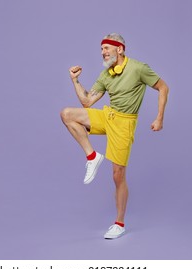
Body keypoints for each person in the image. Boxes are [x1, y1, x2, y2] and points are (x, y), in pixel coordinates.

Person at [60, 33, 169, 239]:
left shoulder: (138, 68)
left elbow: (163, 87)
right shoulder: (106, 74)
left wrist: (159, 118)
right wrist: (75, 81)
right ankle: (92, 157)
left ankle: (119, 223)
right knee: (67, 114)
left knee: (117, 175)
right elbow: (87, 102)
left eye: (106, 48)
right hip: (107, 115)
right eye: (101, 49)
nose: (103, 52)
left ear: (120, 49)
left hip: (124, 122)